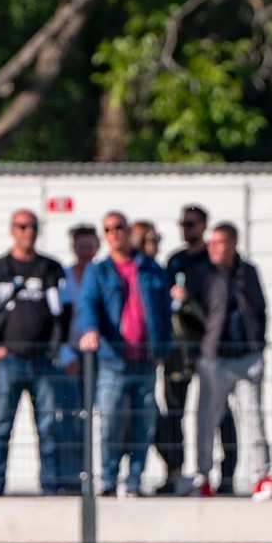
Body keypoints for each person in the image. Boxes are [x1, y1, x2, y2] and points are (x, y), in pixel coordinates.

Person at [0, 209, 69, 496]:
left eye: (33, 226)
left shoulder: (51, 268)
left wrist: (58, 347)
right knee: (2, 426)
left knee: (48, 427)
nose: (28, 232)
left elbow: (65, 310)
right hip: (9, 361)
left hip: (43, 361)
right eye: (22, 226)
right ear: (12, 230)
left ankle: (50, 484)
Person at [77, 211, 172, 497]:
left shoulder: (151, 268)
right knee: (109, 420)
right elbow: (88, 304)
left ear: (128, 230)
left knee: (144, 424)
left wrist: (163, 348)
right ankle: (107, 479)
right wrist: (90, 330)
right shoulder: (99, 271)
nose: (114, 233)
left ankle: (134, 482)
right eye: (108, 229)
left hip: (145, 360)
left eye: (119, 227)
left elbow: (164, 312)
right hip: (112, 361)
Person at [190, 223, 272, 501]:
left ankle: (262, 476)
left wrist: (258, 344)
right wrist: (199, 352)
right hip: (214, 360)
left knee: (253, 418)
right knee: (207, 420)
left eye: (219, 242)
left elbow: (260, 309)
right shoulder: (203, 274)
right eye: (211, 242)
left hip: (246, 358)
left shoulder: (247, 272)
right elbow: (191, 315)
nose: (213, 247)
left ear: (232, 244)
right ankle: (203, 477)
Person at [160, 205, 237, 496]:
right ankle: (176, 474)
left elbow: (220, 309)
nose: (186, 229)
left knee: (220, 413)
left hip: (209, 351)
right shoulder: (175, 261)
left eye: (191, 224)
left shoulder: (213, 261)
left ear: (204, 226)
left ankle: (226, 476)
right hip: (179, 352)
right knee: (173, 413)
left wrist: (191, 302)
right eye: (183, 224)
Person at [53, 223, 99, 493]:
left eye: (90, 246)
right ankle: (71, 477)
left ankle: (99, 475)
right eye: (81, 246)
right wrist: (65, 353)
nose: (85, 251)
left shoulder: (102, 274)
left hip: (99, 355)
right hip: (71, 355)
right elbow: (56, 319)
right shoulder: (64, 277)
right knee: (71, 416)